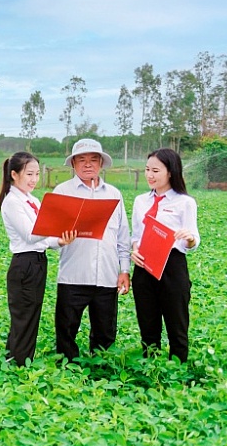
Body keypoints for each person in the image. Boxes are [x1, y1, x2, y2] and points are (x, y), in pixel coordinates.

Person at [53, 139, 132, 360]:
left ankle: (101, 368)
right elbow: (48, 233)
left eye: (93, 160)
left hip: (106, 275)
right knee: (66, 329)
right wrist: (60, 239)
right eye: (82, 160)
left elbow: (122, 237)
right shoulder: (62, 191)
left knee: (105, 331)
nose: (88, 164)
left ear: (101, 164)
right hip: (73, 275)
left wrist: (124, 270)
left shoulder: (114, 194)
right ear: (73, 164)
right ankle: (67, 369)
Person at [0, 152, 76, 365]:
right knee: (24, 318)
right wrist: (57, 222)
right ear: (14, 174)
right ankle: (21, 364)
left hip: (38, 261)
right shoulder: (12, 201)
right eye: (29, 174)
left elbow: (44, 239)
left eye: (37, 174)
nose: (34, 179)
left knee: (30, 315)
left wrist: (60, 241)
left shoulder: (32, 200)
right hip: (24, 264)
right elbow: (30, 234)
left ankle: (14, 360)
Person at [131, 148, 199, 362]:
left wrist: (188, 238)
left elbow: (193, 240)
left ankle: (177, 372)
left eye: (156, 170)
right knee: (147, 325)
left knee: (177, 324)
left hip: (172, 266)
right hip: (144, 267)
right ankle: (150, 368)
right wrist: (134, 250)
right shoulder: (140, 201)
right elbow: (136, 235)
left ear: (170, 172)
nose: (149, 175)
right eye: (147, 170)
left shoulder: (185, 202)